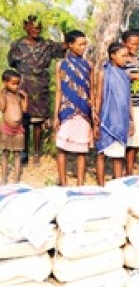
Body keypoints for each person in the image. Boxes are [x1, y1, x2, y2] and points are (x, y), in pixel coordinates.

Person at [8, 15, 66, 165]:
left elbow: (64, 47)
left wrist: (66, 31)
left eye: (39, 27)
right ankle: (24, 152)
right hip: (24, 86)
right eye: (33, 27)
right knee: (24, 121)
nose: (36, 30)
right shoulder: (17, 45)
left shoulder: (46, 44)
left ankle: (37, 154)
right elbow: (12, 64)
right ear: (26, 26)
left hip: (41, 86)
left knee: (38, 123)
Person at [53, 30, 92, 186]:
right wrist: (56, 115)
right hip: (66, 110)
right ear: (70, 45)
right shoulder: (60, 65)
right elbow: (58, 90)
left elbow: (92, 90)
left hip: (84, 110)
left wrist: (94, 111)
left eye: (85, 44)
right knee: (62, 147)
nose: (83, 47)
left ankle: (80, 183)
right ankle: (63, 182)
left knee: (81, 149)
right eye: (80, 44)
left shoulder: (89, 65)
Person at [94, 43, 133, 186]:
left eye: (127, 55)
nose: (126, 59)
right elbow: (99, 97)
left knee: (118, 155)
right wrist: (96, 119)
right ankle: (100, 185)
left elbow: (128, 98)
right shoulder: (103, 73)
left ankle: (117, 184)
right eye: (123, 56)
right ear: (112, 55)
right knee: (101, 152)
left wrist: (131, 120)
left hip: (121, 119)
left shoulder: (125, 75)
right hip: (106, 118)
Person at [121, 29, 139, 176]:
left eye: (137, 44)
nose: (135, 46)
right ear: (124, 43)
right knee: (127, 137)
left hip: (138, 102)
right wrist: (135, 75)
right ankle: (126, 170)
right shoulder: (122, 59)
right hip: (126, 103)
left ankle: (129, 170)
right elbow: (118, 74)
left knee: (136, 138)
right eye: (132, 43)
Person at [0, 70, 27, 184]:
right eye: (13, 83)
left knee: (17, 154)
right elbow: (2, 108)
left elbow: (24, 110)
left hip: (18, 130)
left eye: (18, 84)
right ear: (5, 83)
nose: (16, 86)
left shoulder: (19, 96)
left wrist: (25, 98)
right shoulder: (4, 95)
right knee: (5, 153)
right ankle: (4, 176)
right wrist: (1, 94)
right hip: (6, 128)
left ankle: (16, 178)